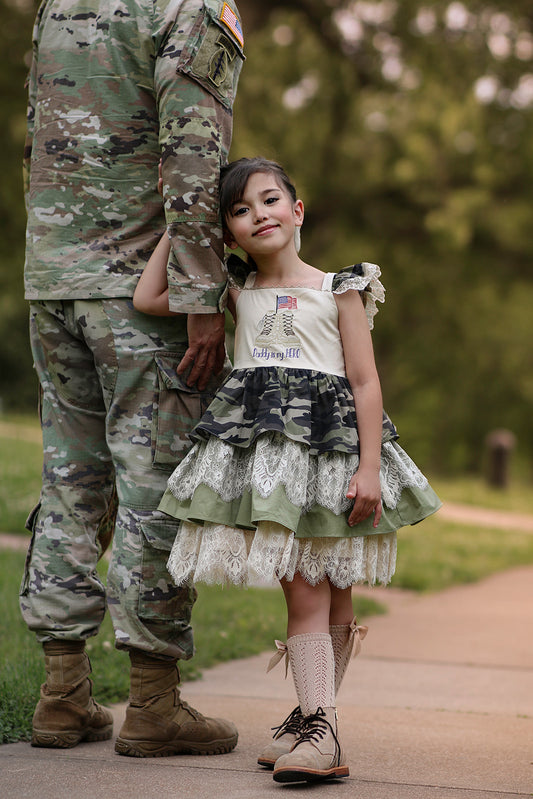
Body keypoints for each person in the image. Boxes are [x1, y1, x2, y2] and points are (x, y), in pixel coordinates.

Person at [134, 156, 442, 783]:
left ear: (297, 211)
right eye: (239, 211)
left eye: (270, 201)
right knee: (308, 585)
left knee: (327, 586)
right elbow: (150, 296)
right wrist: (184, 218)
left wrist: (370, 469)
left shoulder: (340, 288)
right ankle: (314, 722)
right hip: (274, 460)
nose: (258, 216)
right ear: (230, 232)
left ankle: (317, 728)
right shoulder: (234, 289)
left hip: (332, 454)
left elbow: (364, 380)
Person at [20, 0, 245, 758]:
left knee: (69, 476)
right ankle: (152, 702)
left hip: (53, 277)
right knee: (155, 481)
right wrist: (201, 294)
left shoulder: (59, 3)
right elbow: (194, 154)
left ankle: (62, 693)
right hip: (139, 290)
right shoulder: (187, 5)